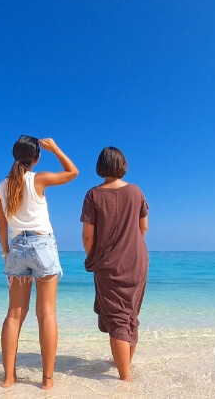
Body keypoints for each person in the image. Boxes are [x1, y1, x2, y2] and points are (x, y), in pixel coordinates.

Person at [0, 135, 78, 389]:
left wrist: (6, 253)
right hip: (42, 247)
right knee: (47, 314)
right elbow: (73, 172)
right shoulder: (38, 179)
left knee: (14, 315)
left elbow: (1, 226)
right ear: (36, 158)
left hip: (17, 248)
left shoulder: (2, 186)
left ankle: (9, 378)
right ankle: (47, 381)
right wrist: (55, 149)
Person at [80, 146, 149, 382]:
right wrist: (130, 248)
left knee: (117, 318)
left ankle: (125, 379)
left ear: (101, 166)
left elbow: (88, 236)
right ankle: (124, 365)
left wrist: (94, 258)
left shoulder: (93, 195)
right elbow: (143, 228)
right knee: (130, 314)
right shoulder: (137, 192)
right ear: (122, 165)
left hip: (108, 262)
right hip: (138, 259)